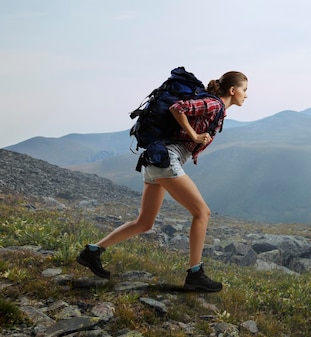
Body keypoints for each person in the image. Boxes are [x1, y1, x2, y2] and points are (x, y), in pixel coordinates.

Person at [77, 71, 248, 292]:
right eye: (245, 90)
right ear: (232, 91)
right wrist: (195, 137)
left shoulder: (217, 108)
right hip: (166, 159)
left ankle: (92, 252)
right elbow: (177, 109)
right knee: (202, 213)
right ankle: (195, 274)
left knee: (144, 223)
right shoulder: (214, 105)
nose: (246, 95)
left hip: (155, 160)